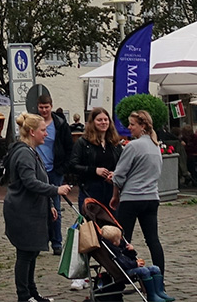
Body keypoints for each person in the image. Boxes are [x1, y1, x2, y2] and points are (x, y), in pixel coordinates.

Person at [3, 111, 75, 302]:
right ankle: (24, 296)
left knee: (32, 252)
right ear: (32, 132)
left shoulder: (32, 152)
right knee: (26, 254)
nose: (47, 134)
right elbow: (30, 182)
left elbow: (39, 179)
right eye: (43, 130)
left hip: (34, 209)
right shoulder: (24, 154)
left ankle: (32, 293)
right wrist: (55, 190)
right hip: (22, 211)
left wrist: (50, 203)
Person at [66, 107, 121, 291]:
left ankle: (111, 269)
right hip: (90, 191)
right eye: (99, 120)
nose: (103, 123)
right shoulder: (83, 143)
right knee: (89, 233)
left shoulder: (114, 143)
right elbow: (73, 165)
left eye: (106, 120)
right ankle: (82, 275)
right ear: (93, 122)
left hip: (110, 191)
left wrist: (116, 174)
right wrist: (94, 170)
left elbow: (121, 163)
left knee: (110, 231)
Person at [109, 111, 165, 280]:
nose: (129, 127)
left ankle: (124, 274)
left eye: (132, 124)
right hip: (151, 197)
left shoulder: (133, 146)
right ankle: (159, 277)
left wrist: (115, 195)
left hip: (132, 198)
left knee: (123, 239)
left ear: (143, 126)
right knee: (153, 240)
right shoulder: (156, 147)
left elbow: (118, 175)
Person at [30, 89, 74, 256]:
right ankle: (40, 241)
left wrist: (62, 168)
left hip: (54, 169)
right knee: (37, 206)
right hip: (37, 169)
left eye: (46, 107)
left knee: (55, 206)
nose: (44, 110)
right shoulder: (33, 123)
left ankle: (56, 242)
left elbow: (68, 148)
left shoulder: (60, 124)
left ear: (51, 106)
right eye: (41, 107)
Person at [95, 223, 173, 302]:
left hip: (131, 267)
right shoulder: (114, 253)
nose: (121, 240)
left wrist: (131, 251)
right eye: (119, 239)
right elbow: (123, 263)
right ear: (114, 242)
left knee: (155, 269)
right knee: (144, 271)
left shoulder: (120, 247)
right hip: (125, 272)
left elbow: (130, 257)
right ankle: (152, 295)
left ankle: (159, 292)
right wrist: (135, 264)